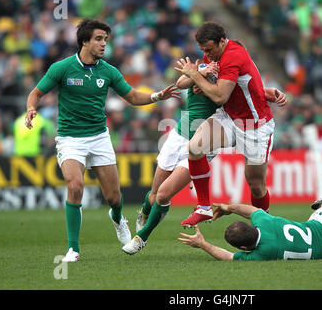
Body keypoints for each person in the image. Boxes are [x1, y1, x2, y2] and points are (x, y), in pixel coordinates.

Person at [24, 19, 180, 262]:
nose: (103, 44)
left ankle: (117, 218)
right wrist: (31, 108)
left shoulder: (108, 71)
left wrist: (157, 95)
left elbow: (132, 96)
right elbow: (36, 93)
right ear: (84, 41)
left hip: (99, 138)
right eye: (98, 39)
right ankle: (73, 249)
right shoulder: (62, 68)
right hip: (70, 138)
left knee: (114, 199)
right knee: (75, 186)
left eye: (105, 40)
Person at [122, 61, 288, 255]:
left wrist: (273, 92)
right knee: (154, 194)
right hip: (178, 136)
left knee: (164, 194)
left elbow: (254, 91)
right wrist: (199, 74)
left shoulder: (229, 79)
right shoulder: (203, 69)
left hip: (204, 141)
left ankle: (142, 237)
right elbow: (181, 83)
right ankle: (144, 210)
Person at [174, 21, 276, 228]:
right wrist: (204, 84)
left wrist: (196, 76)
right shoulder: (214, 53)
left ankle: (266, 227)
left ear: (222, 41)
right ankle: (203, 207)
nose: (207, 55)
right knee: (194, 147)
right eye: (203, 51)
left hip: (254, 125)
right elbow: (228, 88)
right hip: (230, 117)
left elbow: (220, 96)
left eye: (210, 50)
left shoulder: (233, 56)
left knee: (256, 186)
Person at [178, 171, 322, 261]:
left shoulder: (262, 254)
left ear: (245, 248)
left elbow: (229, 256)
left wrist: (203, 244)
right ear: (252, 227)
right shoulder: (264, 221)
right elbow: (251, 210)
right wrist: (228, 208)